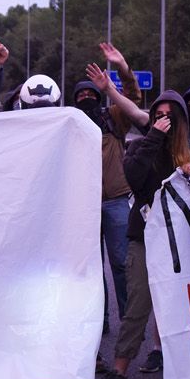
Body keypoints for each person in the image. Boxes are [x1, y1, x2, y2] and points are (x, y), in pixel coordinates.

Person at [95, 91, 190, 379]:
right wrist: (154, 139)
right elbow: (133, 178)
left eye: (170, 117)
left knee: (180, 305)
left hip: (182, 241)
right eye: (158, 115)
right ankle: (120, 369)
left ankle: (182, 370)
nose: (164, 121)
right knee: (138, 303)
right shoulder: (140, 146)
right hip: (146, 237)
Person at [78, 61, 151, 335]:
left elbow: (132, 98)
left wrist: (121, 70)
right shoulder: (72, 125)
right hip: (83, 204)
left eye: (91, 96)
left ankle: (129, 323)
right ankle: (99, 324)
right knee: (91, 270)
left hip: (117, 200)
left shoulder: (113, 118)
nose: (87, 100)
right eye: (81, 97)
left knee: (122, 264)